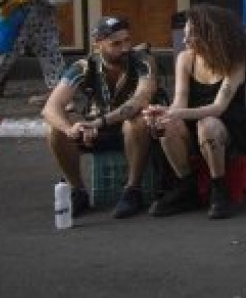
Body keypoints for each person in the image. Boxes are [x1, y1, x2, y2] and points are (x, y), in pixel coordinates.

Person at [143, 4, 246, 220]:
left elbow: (219, 108)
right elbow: (179, 101)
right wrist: (163, 112)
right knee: (165, 124)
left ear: (210, 36)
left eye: (190, 36)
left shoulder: (235, 63)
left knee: (208, 123)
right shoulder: (185, 59)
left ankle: (219, 188)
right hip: (194, 125)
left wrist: (176, 113)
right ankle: (187, 187)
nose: (184, 41)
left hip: (231, 127)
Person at [41, 16, 159, 219]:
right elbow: (50, 108)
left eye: (127, 41)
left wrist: (98, 122)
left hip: (131, 132)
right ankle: (77, 191)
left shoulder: (143, 61)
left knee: (137, 121)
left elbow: (141, 99)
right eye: (116, 43)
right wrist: (71, 129)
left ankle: (132, 190)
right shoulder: (83, 66)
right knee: (55, 128)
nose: (124, 48)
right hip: (96, 130)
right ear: (98, 45)